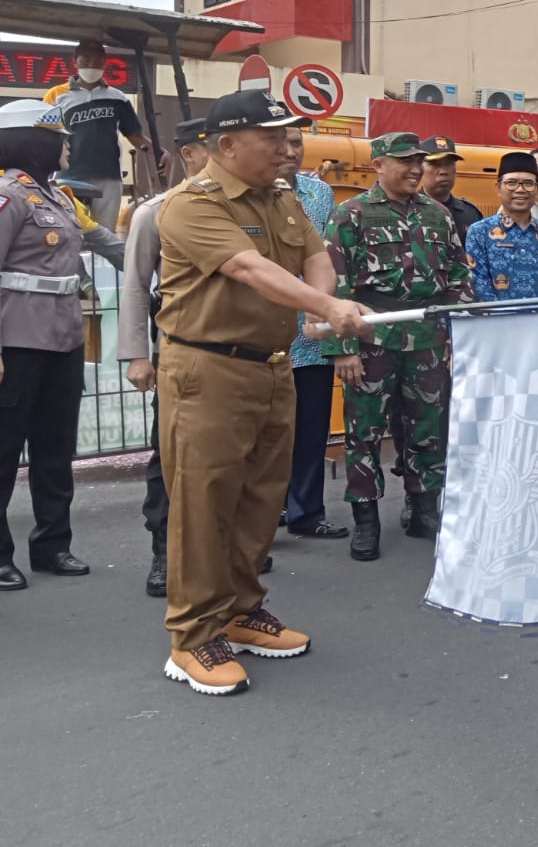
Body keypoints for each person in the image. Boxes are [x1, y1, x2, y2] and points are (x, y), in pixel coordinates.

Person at [154, 90, 369, 694]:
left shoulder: (282, 197)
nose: (285, 148)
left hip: (271, 366)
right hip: (207, 368)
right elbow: (250, 268)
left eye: (287, 136)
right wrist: (324, 304)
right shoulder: (191, 204)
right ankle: (192, 638)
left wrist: (318, 307)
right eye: (271, 137)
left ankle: (240, 611)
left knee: (259, 498)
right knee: (205, 502)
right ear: (228, 145)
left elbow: (315, 254)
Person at [325, 132, 473, 560]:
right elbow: (334, 285)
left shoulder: (438, 215)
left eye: (419, 162)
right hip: (372, 337)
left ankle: (424, 509)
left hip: (426, 337)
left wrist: (455, 330)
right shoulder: (350, 215)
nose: (414, 169)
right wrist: (344, 348)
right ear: (379, 164)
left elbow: (459, 275)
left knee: (427, 426)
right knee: (364, 430)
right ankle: (366, 520)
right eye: (405, 161)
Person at [0, 100, 93, 592]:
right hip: (15, 339)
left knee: (56, 448)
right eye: (59, 137)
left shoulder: (56, 197)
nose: (67, 145)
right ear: (33, 142)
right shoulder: (8, 195)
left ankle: (53, 543)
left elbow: (104, 241)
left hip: (63, 335)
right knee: (4, 448)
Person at [119, 117, 211, 598]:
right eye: (212, 148)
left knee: (233, 453)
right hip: (175, 347)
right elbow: (135, 286)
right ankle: (164, 549)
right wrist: (138, 355)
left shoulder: (240, 210)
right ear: (188, 155)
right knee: (170, 451)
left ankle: (223, 548)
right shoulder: (153, 213)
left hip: (235, 353)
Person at [281, 127, 345, 541]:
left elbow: (327, 257)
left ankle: (306, 511)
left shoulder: (319, 194)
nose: (289, 152)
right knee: (263, 436)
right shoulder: (242, 195)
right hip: (262, 335)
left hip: (312, 333)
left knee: (311, 428)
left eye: (296, 143)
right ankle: (258, 518)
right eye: (280, 143)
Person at [44, 39, 159, 230]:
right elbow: (46, 136)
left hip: (109, 177)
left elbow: (135, 136)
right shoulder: (56, 96)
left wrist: (160, 153)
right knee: (69, 228)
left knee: (105, 233)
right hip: (69, 176)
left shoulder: (117, 98)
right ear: (76, 61)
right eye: (86, 60)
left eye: (97, 61)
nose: (91, 65)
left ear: (104, 64)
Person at [464, 152, 538, 302]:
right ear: (498, 187)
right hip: (496, 321)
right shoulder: (479, 232)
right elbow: (478, 283)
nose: (520, 190)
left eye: (528, 183)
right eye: (511, 183)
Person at [419, 135, 483, 242]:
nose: (443, 171)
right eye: (434, 164)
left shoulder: (470, 214)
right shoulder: (407, 211)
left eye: (449, 164)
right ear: (420, 168)